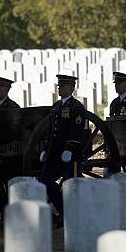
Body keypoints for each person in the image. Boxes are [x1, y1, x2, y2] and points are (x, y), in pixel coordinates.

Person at [38, 74, 87, 218]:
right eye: (59, 85)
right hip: (53, 152)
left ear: (71, 88)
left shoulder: (76, 107)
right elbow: (50, 130)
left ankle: (69, 214)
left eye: (63, 86)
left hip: (69, 153)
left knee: (69, 185)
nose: (59, 88)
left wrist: (70, 148)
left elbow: (77, 130)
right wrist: (46, 149)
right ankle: (63, 211)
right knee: (45, 181)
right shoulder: (56, 107)